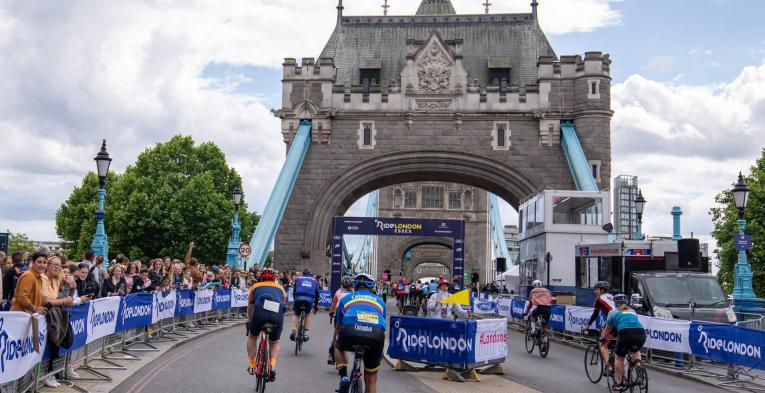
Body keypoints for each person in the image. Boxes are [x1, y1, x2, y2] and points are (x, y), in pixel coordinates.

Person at [334, 273, 386, 393]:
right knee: (371, 380)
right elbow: (383, 327)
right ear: (372, 287)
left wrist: (333, 344)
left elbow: (338, 327)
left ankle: (344, 377)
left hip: (351, 330)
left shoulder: (345, 299)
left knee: (338, 346)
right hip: (375, 335)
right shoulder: (380, 302)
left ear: (355, 286)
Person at [246, 268, 286, 382]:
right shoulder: (281, 288)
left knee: (253, 337)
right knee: (275, 341)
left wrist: (250, 321)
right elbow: (282, 306)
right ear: (274, 278)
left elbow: (250, 307)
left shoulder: (255, 286)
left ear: (261, 277)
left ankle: (252, 365)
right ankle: (272, 366)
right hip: (276, 315)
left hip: (260, 313)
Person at [602, 294, 646, 390]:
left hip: (625, 333)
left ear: (615, 303)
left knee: (619, 358)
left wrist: (603, 338)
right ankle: (639, 368)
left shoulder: (613, 312)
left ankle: (619, 384)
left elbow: (607, 330)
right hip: (640, 333)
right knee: (635, 350)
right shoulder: (632, 311)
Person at [581, 281, 615, 371]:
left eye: (596, 289)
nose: (594, 291)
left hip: (613, 322)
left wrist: (587, 326)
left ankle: (609, 367)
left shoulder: (599, 299)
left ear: (602, 290)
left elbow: (595, 314)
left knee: (602, 344)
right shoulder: (612, 297)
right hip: (622, 321)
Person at [327, 276, 354, 364]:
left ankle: (331, 354)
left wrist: (331, 312)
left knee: (336, 333)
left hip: (340, 314)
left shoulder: (338, 292)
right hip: (352, 316)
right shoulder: (354, 293)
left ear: (342, 284)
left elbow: (333, 305)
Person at [289, 268, 319, 342]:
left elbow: (294, 290)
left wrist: (295, 299)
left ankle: (293, 330)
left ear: (303, 273)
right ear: (311, 274)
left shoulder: (298, 278)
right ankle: (306, 333)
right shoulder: (314, 280)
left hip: (298, 298)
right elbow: (317, 294)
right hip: (309, 299)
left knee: (296, 314)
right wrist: (315, 304)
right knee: (308, 314)